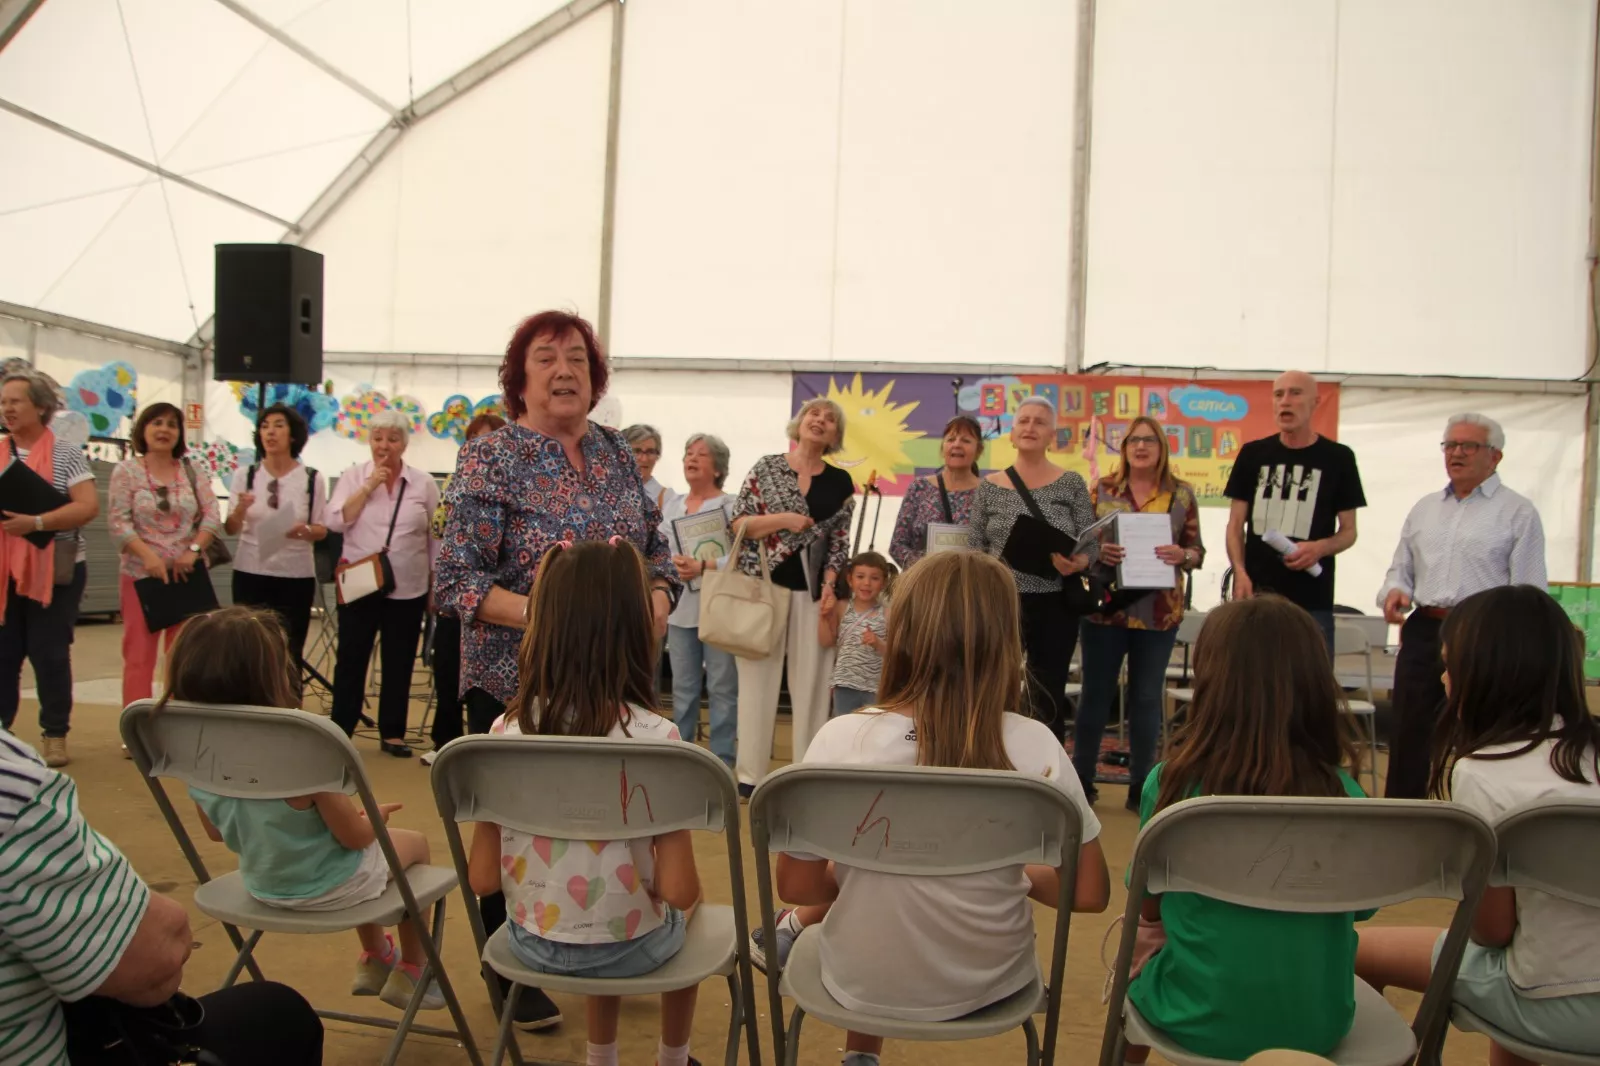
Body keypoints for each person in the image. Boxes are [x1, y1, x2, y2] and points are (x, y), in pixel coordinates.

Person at [755, 551, 1109, 1066]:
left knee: (874, 907)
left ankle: (860, 1055)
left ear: (901, 634)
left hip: (860, 977)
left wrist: (876, 860)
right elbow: (1089, 892)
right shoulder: (1036, 746)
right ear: (1007, 640)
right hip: (993, 981)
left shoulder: (842, 739)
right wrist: (1003, 870)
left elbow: (798, 888)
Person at [437, 310, 679, 1031]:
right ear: (519, 379)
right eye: (545, 358)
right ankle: (508, 966)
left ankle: (609, 938)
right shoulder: (491, 457)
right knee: (512, 826)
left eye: (577, 358)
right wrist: (548, 617)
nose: (564, 370)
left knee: (608, 821)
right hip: (516, 685)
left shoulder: (614, 451)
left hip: (616, 687)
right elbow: (457, 580)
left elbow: (655, 550)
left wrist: (661, 594)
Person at [467, 539, 701, 1066]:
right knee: (683, 910)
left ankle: (602, 1056)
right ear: (636, 626)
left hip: (529, 944)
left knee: (601, 888)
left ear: (542, 623)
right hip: (631, 948)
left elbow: (481, 880)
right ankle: (673, 1057)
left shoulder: (503, 733)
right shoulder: (659, 739)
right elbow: (679, 890)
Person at [1355, 586, 1600, 1062]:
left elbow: (1492, 931)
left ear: (1487, 673)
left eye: (1451, 665)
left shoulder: (1484, 770)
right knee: (1520, 961)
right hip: (1556, 986)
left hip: (1551, 1006)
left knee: (1357, 948)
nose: (1443, 678)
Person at [1123, 595, 1368, 1062]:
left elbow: (1147, 906)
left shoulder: (1170, 785)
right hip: (1318, 1027)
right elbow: (1361, 911)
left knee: (1134, 953)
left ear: (1211, 683)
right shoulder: (1348, 798)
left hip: (1191, 1015)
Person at [167, 606, 446, 1012]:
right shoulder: (299, 743)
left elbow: (215, 832)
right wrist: (376, 818)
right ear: (273, 676)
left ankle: (376, 955)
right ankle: (414, 968)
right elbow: (354, 837)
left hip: (262, 883)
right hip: (331, 886)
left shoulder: (196, 749)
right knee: (412, 844)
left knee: (366, 857)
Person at [0, 725, 324, 1064]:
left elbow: (216, 832)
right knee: (281, 1012)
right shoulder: (10, 787)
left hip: (259, 882)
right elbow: (155, 963)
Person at [1377, 413, 1546, 799]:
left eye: (1468, 446)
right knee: (1408, 731)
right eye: (1450, 445)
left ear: (1495, 456)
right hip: (1425, 628)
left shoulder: (1518, 512)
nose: (1456, 453)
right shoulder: (1424, 508)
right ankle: (1402, 813)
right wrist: (1395, 591)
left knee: (1485, 728)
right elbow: (1400, 569)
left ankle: (1479, 809)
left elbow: (1529, 589)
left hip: (1486, 633)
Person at [1073, 416, 1204, 808]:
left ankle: (1142, 787)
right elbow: (1078, 544)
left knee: (1147, 699)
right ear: (1125, 447)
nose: (1141, 447)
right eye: (1134, 440)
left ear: (1162, 448)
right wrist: (1099, 550)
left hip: (1158, 613)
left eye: (1150, 440)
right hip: (1105, 610)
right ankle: (1081, 783)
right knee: (1095, 696)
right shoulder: (1101, 489)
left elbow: (1197, 551)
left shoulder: (1181, 495)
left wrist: (1183, 555)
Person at [731, 397, 855, 791]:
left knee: (814, 687)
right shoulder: (766, 467)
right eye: (813, 413)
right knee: (755, 684)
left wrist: (831, 587)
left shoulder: (840, 482)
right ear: (799, 423)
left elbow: (839, 542)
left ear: (835, 435)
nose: (820, 420)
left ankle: (807, 772)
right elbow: (738, 523)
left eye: (829, 419)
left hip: (813, 594)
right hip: (762, 588)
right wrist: (785, 520)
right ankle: (749, 776)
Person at [967, 395, 1095, 742]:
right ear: (1011, 434)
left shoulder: (1071, 483)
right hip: (1000, 601)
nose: (1030, 427)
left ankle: (1046, 764)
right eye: (1023, 420)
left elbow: (1091, 544)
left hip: (1055, 603)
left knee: (1047, 691)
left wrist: (1079, 561)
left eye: (1039, 422)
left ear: (1052, 435)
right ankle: (987, 754)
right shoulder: (989, 486)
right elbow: (974, 547)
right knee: (992, 685)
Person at [1222, 370, 1364, 650]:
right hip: (1257, 597)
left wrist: (1320, 548)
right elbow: (1235, 525)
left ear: (1315, 402)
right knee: (1253, 674)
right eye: (1278, 395)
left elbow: (1349, 532)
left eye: (1295, 393)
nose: (1285, 401)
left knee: (1309, 676)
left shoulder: (1339, 458)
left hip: (1312, 601)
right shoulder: (1252, 454)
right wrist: (1239, 571)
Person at [327, 408, 440, 757]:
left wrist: (435, 584)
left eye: (392, 439)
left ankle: (393, 733)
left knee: (399, 660)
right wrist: (369, 486)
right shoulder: (353, 476)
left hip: (408, 586)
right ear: (369, 441)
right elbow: (335, 522)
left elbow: (435, 537)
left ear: (404, 444)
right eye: (377, 438)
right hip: (360, 584)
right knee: (351, 658)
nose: (384, 445)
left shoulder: (423, 483)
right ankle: (340, 729)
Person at [0, 370, 98, 768]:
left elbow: (87, 506)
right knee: (4, 655)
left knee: (50, 654)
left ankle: (55, 734)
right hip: (4, 572)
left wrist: (36, 523)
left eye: (15, 401)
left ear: (41, 407)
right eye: (3, 402)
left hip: (55, 572)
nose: (7, 409)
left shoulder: (66, 453)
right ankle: (2, 736)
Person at [108, 402, 225, 711]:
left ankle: (179, 722)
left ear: (180, 433)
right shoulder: (126, 471)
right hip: (141, 576)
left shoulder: (192, 470)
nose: (164, 430)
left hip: (186, 575)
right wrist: (148, 557)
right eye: (156, 423)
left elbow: (212, 515)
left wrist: (193, 550)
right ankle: (136, 723)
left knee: (184, 657)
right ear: (143, 429)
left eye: (172, 424)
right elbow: (118, 523)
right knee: (138, 657)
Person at [225, 403, 329, 695]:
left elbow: (322, 529)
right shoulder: (245, 475)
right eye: (264, 426)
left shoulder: (312, 478)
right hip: (250, 571)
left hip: (295, 575)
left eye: (278, 425)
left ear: (293, 435)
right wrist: (240, 510)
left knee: (290, 648)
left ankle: (288, 707)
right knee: (248, 646)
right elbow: (230, 528)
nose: (270, 432)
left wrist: (303, 530)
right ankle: (247, 708)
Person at [424, 410, 506, 766]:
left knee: (485, 684)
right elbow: (438, 530)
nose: (479, 447)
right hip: (455, 595)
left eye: (487, 440)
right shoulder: (454, 482)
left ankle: (486, 745)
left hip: (494, 601)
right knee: (446, 668)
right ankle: (445, 740)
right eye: (474, 440)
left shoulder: (511, 485)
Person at [660, 432, 739, 768]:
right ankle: (683, 759)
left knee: (722, 689)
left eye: (701, 454)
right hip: (680, 612)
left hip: (719, 609)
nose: (691, 459)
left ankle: (723, 761)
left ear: (718, 468)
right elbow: (659, 548)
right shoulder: (672, 504)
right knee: (683, 688)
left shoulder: (731, 506)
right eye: (688, 453)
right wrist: (671, 565)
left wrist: (704, 566)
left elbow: (741, 556)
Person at [888, 415, 983, 569]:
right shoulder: (919, 487)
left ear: (978, 450)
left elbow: (997, 548)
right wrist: (928, 570)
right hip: (923, 580)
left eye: (966, 441)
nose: (957, 445)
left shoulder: (989, 493)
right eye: (951, 439)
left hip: (970, 581)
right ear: (942, 447)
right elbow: (897, 545)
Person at [819, 551, 891, 718]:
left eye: (874, 578)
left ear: (884, 583)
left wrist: (878, 643)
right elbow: (826, 641)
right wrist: (823, 617)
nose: (867, 583)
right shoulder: (841, 607)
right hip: (844, 685)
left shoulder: (888, 614)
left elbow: (894, 652)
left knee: (872, 729)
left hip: (875, 688)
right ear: (850, 579)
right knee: (844, 728)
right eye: (860, 576)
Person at [625, 423, 678, 513]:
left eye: (650, 452)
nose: (644, 459)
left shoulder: (668, 499)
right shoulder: (608, 491)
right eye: (637, 451)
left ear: (657, 456)